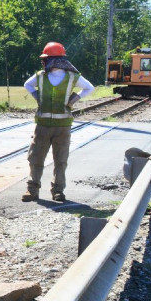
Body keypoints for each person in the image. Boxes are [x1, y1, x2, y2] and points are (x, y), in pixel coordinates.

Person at [21, 42, 95, 202]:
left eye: (45, 59)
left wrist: (75, 98)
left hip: (60, 127)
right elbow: (27, 84)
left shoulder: (72, 77)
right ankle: (33, 190)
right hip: (44, 125)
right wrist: (37, 97)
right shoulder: (41, 76)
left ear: (52, 60)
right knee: (36, 158)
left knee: (60, 160)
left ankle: (57, 191)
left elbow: (90, 87)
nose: (43, 62)